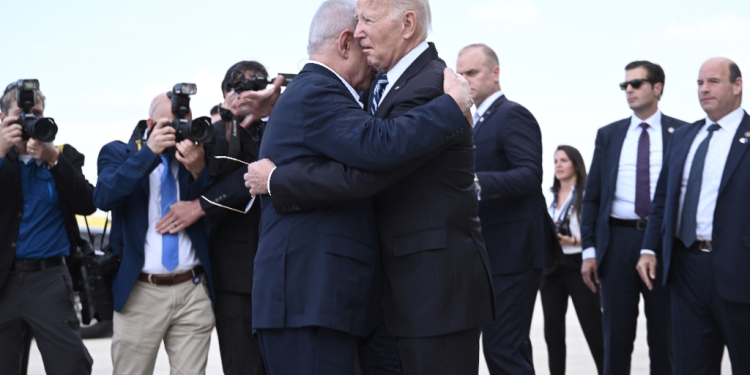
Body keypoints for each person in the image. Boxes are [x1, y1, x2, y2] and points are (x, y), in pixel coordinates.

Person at [244, 1, 495, 374]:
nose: (361, 33)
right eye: (357, 23)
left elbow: (375, 161)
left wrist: (277, 180)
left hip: (430, 293)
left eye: (368, 20)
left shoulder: (429, 84)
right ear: (344, 44)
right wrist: (450, 107)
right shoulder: (322, 91)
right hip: (312, 300)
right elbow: (375, 154)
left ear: (407, 24)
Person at [154, 60, 275, 375]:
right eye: (241, 87)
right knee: (242, 364)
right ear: (226, 92)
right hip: (235, 273)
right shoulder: (212, 129)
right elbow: (219, 170)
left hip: (283, 268)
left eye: (257, 87)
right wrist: (228, 117)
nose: (249, 94)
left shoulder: (282, 124)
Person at [454, 43, 562, 375]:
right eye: (460, 74)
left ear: (495, 73)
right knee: (509, 347)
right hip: (491, 255)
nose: (465, 80)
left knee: (502, 348)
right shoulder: (473, 122)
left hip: (515, 253)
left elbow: (530, 175)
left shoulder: (512, 114)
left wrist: (472, 182)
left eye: (472, 72)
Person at [637, 57, 750, 374]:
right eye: (700, 83)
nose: (704, 89)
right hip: (685, 269)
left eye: (713, 81)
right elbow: (662, 199)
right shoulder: (684, 136)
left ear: (737, 85)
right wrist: (649, 248)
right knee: (690, 366)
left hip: (739, 271)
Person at [94, 92, 215, 375]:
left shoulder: (196, 156)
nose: (179, 131)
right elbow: (103, 197)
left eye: (184, 123)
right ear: (151, 123)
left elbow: (216, 205)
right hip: (141, 291)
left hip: (192, 290)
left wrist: (198, 170)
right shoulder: (118, 152)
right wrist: (148, 153)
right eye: (171, 124)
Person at [580, 60, 688, 375]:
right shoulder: (609, 135)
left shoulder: (682, 133)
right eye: (625, 85)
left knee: (664, 338)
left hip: (663, 244)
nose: (629, 90)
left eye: (636, 83)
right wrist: (589, 250)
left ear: (658, 88)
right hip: (616, 244)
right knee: (616, 338)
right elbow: (593, 197)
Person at [0, 81, 95, 374]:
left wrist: (53, 159)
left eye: (37, 113)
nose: (30, 120)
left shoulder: (63, 154)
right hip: (3, 281)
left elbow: (87, 203)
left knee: (70, 366)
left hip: (50, 280)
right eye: (22, 114)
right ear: (3, 118)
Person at [540, 145, 604, 375]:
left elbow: (596, 232)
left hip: (580, 265)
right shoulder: (548, 194)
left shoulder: (586, 194)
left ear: (575, 164)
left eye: (563, 160)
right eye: (555, 160)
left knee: (594, 329)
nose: (558, 165)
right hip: (552, 269)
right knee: (553, 335)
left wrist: (573, 241)